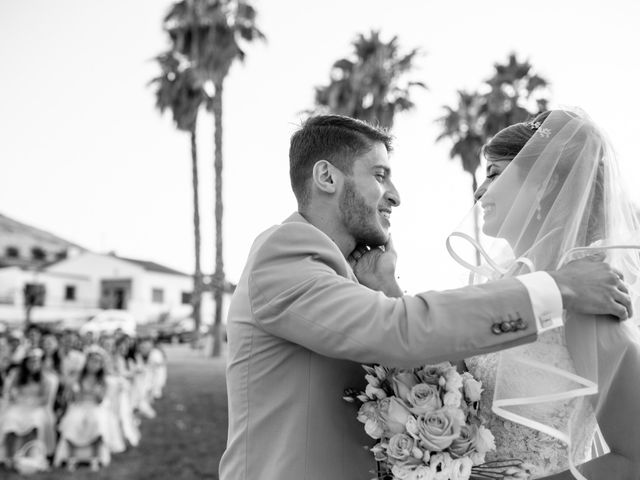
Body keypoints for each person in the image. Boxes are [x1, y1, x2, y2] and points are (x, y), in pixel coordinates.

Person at [218, 115, 632, 480]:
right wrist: (557, 289)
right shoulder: (286, 251)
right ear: (327, 178)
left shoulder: (588, 304)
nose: (396, 195)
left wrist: (385, 289)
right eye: (380, 175)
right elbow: (398, 331)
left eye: (495, 173)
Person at [444, 109, 640, 479]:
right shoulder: (501, 293)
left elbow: (635, 458)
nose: (479, 189)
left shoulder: (587, 300)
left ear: (543, 183)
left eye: (495, 173)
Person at [54, 346, 111, 471]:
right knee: (72, 421)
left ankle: (95, 457)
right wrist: (74, 392)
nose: (94, 364)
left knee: (97, 422)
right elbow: (71, 398)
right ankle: (72, 457)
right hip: (79, 406)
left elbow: (101, 400)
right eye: (92, 361)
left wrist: (96, 393)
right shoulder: (78, 377)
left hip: (95, 407)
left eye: (97, 361)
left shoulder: (102, 380)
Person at [0, 348, 56, 468]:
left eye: (36, 361)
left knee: (34, 421)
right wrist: (17, 396)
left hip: (36, 408)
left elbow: (45, 399)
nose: (33, 364)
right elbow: (11, 393)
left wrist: (32, 401)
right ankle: (10, 456)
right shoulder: (18, 376)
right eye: (30, 361)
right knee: (10, 419)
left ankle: (31, 455)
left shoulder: (45, 378)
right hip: (19, 406)